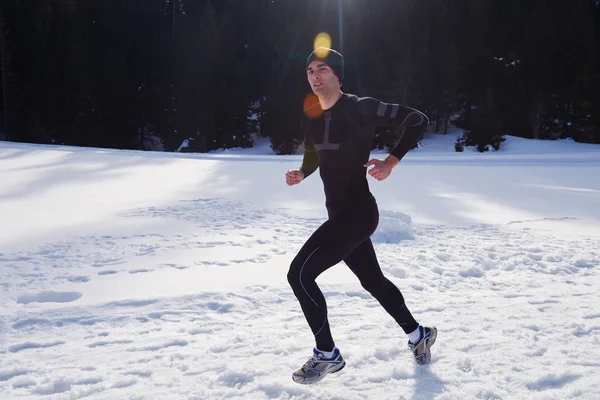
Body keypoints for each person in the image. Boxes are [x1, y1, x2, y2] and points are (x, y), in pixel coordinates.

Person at [285, 47, 437, 385]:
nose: (315, 76)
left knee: (299, 275)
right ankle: (418, 334)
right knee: (372, 281)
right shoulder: (310, 115)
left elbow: (417, 120)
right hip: (338, 212)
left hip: (358, 212)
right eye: (310, 71)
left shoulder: (359, 107)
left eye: (322, 69)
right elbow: (315, 152)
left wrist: (392, 160)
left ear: (338, 75)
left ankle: (327, 354)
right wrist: (302, 173)